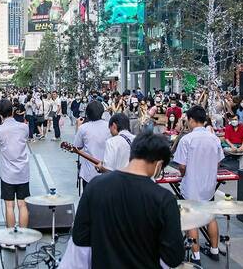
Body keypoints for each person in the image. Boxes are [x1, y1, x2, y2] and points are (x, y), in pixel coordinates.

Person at [70, 133, 184, 269]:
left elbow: (79, 238)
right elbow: (174, 257)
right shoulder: (164, 199)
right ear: (159, 164)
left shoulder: (95, 185)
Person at [173, 106, 225, 265]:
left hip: (192, 185)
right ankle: (214, 250)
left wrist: (182, 175)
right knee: (210, 216)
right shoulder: (214, 138)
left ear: (190, 120)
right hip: (209, 185)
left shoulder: (187, 139)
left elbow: (181, 166)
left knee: (192, 218)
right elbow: (218, 162)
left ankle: (195, 256)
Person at [0, 99, 31, 242]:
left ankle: (11, 239)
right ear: (13, 111)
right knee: (22, 204)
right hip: (23, 171)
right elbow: (25, 139)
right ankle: (23, 240)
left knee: (9, 205)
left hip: (7, 173)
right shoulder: (24, 127)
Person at [73, 101, 111, 190]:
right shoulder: (109, 126)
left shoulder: (84, 128)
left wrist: (78, 126)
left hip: (89, 173)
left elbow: (76, 147)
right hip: (107, 170)